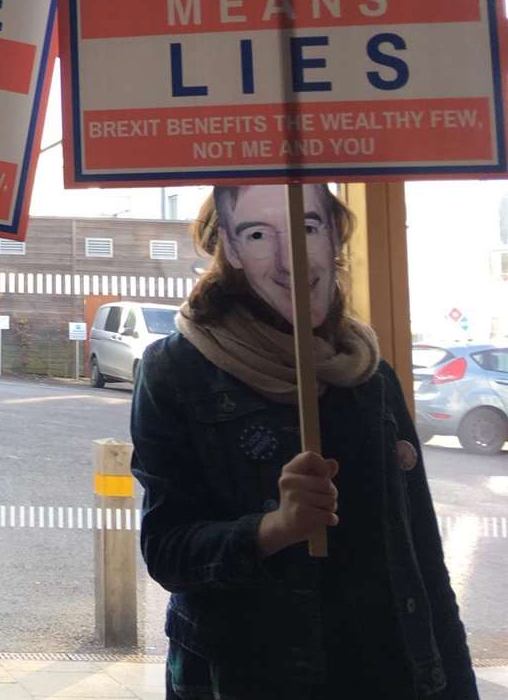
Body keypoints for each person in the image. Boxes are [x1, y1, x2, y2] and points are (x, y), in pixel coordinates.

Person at [131, 184, 476, 699]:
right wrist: (275, 528)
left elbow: (421, 555)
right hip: (248, 680)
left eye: (307, 228)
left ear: (334, 235)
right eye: (256, 233)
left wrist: (456, 685)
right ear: (229, 248)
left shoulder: (370, 375)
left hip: (390, 674)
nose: (289, 260)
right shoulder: (177, 371)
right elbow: (167, 553)